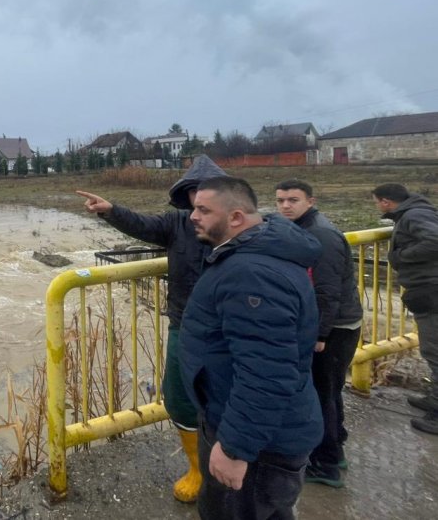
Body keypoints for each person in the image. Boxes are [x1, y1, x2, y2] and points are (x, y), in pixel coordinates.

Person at [76, 155, 226, 503]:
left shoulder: (241, 227)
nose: (201, 199)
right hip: (184, 325)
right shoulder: (176, 223)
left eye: (211, 191)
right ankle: (198, 468)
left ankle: (235, 466)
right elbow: (142, 225)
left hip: (229, 331)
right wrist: (109, 209)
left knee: (227, 401)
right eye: (195, 191)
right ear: (187, 195)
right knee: (178, 399)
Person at [179, 176, 323, 520]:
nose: (192, 216)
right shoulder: (254, 252)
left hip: (259, 442)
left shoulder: (251, 273)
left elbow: (267, 372)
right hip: (256, 426)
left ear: (236, 218)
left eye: (203, 209)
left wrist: (233, 448)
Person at [275, 179, 362, 487]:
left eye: (293, 200)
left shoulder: (319, 235)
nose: (285, 206)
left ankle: (326, 465)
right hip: (332, 325)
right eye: (281, 200)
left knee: (321, 395)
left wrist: (319, 335)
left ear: (310, 201)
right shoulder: (304, 229)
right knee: (328, 391)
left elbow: (326, 291)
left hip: (334, 328)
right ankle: (334, 449)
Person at [372, 183, 438, 435]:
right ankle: (434, 399)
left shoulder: (414, 215)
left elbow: (435, 240)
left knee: (435, 350)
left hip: (431, 288)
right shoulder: (415, 212)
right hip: (428, 288)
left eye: (377, 201)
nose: (377, 206)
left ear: (386, 201)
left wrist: (401, 256)